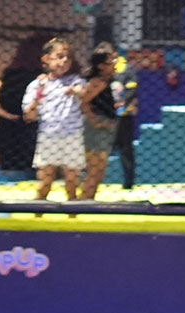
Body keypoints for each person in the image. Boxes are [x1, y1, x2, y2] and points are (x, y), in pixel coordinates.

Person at [22, 38, 85, 203]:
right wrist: (38, 97)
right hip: (48, 136)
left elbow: (83, 91)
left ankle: (73, 221)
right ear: (46, 58)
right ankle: (37, 218)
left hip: (72, 135)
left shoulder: (75, 80)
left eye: (68, 58)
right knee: (45, 183)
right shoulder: (37, 84)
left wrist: (75, 91)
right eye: (60, 56)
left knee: (71, 184)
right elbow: (28, 116)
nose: (65, 61)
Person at [0, 35, 48, 173]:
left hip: (13, 124)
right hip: (24, 125)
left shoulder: (11, 73)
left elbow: (2, 98)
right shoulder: (39, 76)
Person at [79, 45, 118, 200]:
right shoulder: (98, 81)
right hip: (95, 128)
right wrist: (94, 122)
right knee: (93, 170)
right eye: (110, 62)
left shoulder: (105, 81)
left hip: (104, 126)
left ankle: (88, 202)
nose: (114, 64)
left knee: (99, 172)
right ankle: (81, 204)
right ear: (101, 66)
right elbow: (83, 102)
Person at [111, 51, 138, 190]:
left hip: (124, 114)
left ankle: (128, 181)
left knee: (125, 148)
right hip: (106, 114)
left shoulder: (127, 69)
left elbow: (132, 89)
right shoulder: (103, 69)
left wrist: (122, 102)